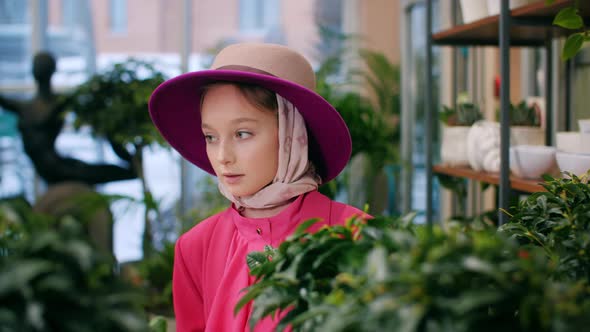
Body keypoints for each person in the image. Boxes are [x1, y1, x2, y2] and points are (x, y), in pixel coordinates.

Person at [149, 43, 367, 331]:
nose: (222, 155)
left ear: (292, 134)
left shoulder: (356, 235)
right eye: (210, 136)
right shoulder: (195, 248)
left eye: (242, 133)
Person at [0, 52, 136, 186]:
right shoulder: (36, 106)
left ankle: (131, 161)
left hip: (56, 166)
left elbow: (96, 116)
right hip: (55, 169)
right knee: (119, 172)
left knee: (119, 172)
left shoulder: (51, 104)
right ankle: (131, 163)